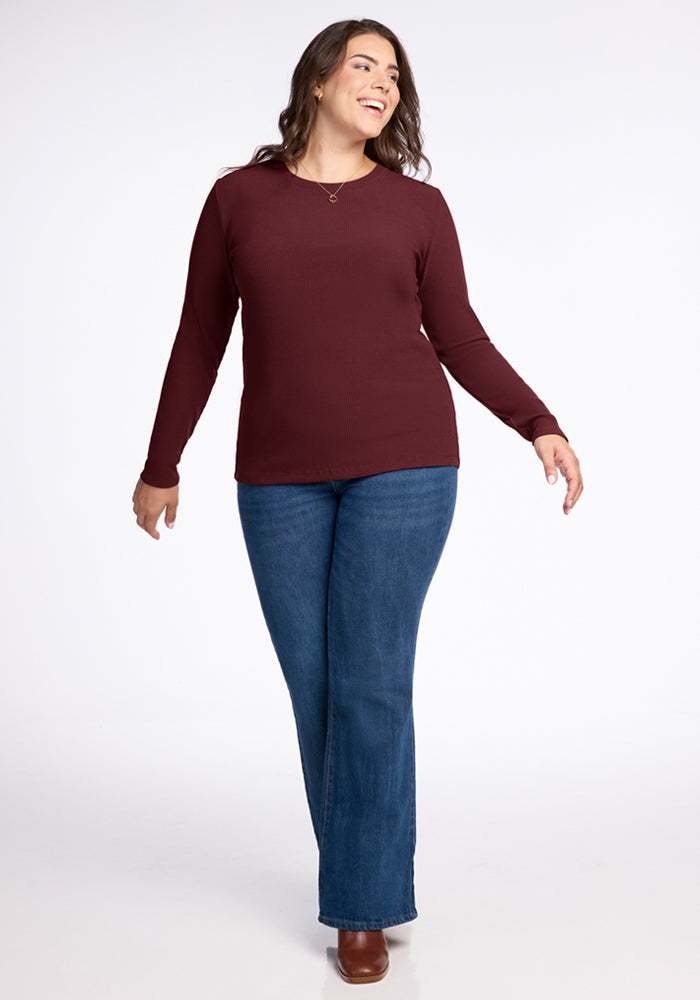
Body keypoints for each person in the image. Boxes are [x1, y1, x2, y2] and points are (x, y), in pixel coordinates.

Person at [132, 17, 583, 985]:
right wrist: (161, 461)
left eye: (394, 72)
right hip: (278, 478)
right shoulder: (236, 200)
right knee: (317, 687)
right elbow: (199, 337)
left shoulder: (416, 207)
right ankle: (368, 875)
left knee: (371, 682)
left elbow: (457, 333)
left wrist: (536, 420)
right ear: (320, 81)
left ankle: (362, 906)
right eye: (363, 64)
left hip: (406, 465)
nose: (380, 82)